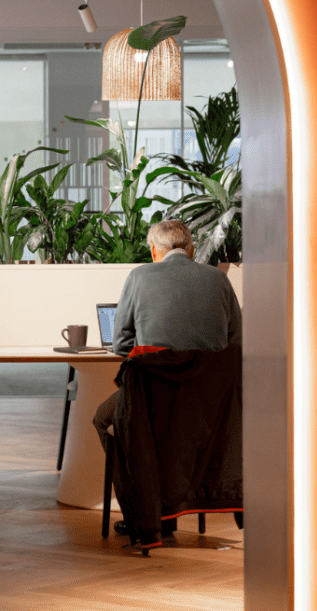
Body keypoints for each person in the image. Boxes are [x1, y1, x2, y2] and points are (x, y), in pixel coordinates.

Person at [91, 219, 242, 535]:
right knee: (174, 429)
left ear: (152, 250)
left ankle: (144, 505)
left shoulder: (139, 277)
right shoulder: (219, 280)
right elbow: (235, 345)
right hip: (208, 408)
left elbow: (120, 343)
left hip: (154, 398)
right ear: (192, 249)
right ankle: (176, 502)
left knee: (103, 419)